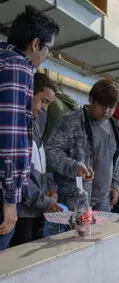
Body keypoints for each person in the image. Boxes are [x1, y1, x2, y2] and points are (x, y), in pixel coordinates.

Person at [0, 6, 59, 250]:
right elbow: (9, 136)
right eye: (49, 49)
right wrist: (10, 200)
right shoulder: (18, 67)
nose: (47, 55)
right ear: (35, 44)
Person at [47, 79, 119, 212]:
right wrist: (74, 167)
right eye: (102, 105)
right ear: (90, 99)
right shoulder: (70, 121)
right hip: (74, 201)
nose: (106, 111)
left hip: (104, 201)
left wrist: (116, 185)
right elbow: (51, 151)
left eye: (111, 107)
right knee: (76, 233)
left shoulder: (116, 127)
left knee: (103, 234)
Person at [10, 73, 62, 246]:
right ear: (28, 92)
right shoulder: (16, 127)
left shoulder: (35, 126)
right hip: (21, 210)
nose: (45, 108)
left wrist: (50, 188)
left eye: (48, 103)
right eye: (43, 101)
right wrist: (44, 201)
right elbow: (21, 175)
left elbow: (39, 165)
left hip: (36, 208)